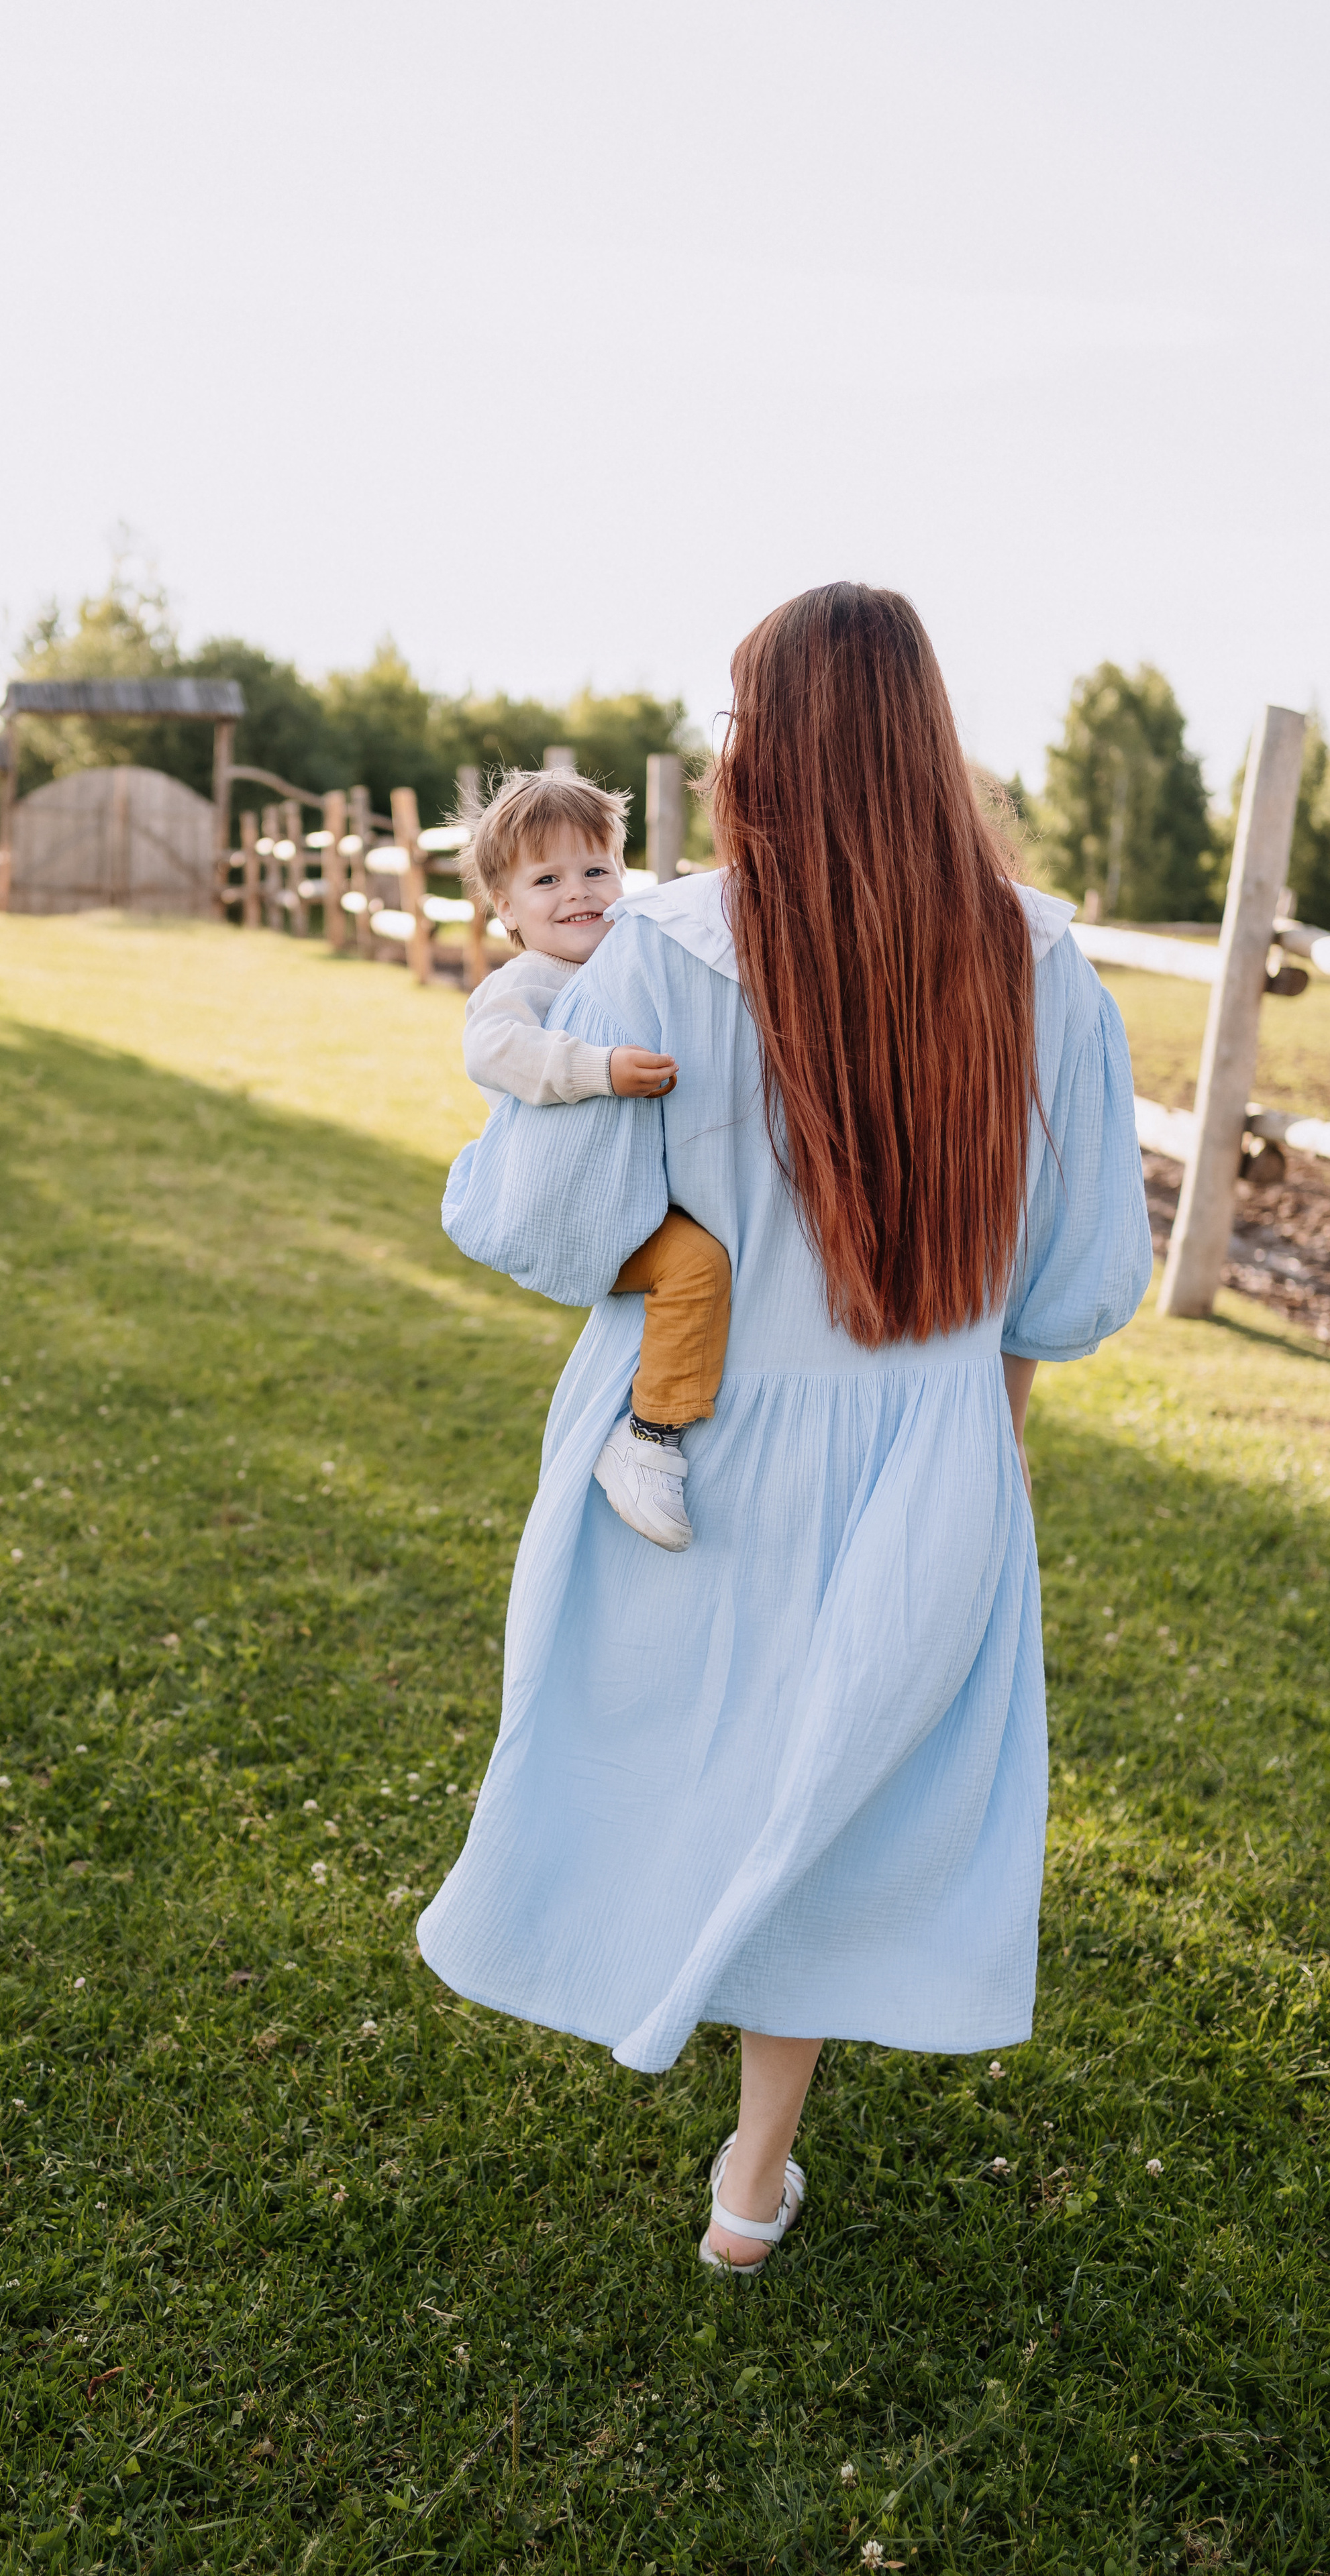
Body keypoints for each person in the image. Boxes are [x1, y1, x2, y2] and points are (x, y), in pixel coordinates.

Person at [418, 584, 1152, 2273]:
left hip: (692, 1439)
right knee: (833, 1790)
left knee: (687, 1747)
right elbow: (1063, 1278)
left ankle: (679, 2044)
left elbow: (554, 1230)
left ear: (768, 739)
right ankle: (751, 2171)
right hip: (928, 1438)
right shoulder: (1036, 958)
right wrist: (992, 1445)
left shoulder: (656, 946)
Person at [458, 767, 733, 1551]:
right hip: (564, 1206)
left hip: (624, 1197)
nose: (578, 891)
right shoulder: (529, 981)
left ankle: (652, 1431)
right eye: (546, 878)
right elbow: (493, 1049)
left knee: (700, 1267)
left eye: (596, 870)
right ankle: (648, 1439)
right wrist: (596, 1070)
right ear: (504, 907)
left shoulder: (638, 965)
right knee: (697, 1268)